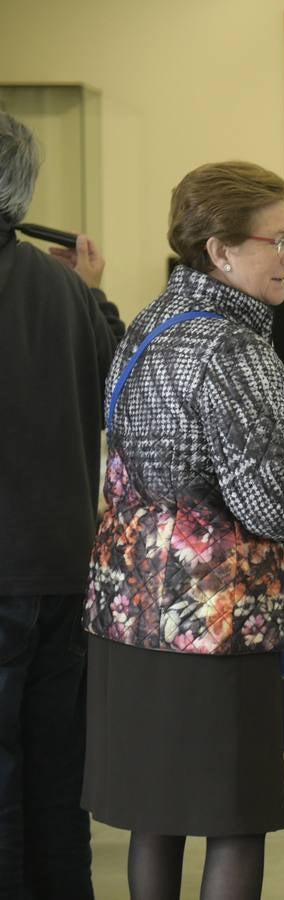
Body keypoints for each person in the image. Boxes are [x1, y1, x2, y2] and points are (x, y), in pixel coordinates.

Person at [84, 161, 284, 900]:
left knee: (153, 819)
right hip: (215, 624)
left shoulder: (145, 327)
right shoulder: (236, 348)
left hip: (130, 618)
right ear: (221, 251)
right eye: (278, 240)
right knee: (233, 818)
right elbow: (272, 508)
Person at [0, 110, 124, 900]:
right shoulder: (73, 295)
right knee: (53, 775)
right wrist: (93, 292)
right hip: (64, 568)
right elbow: (122, 389)